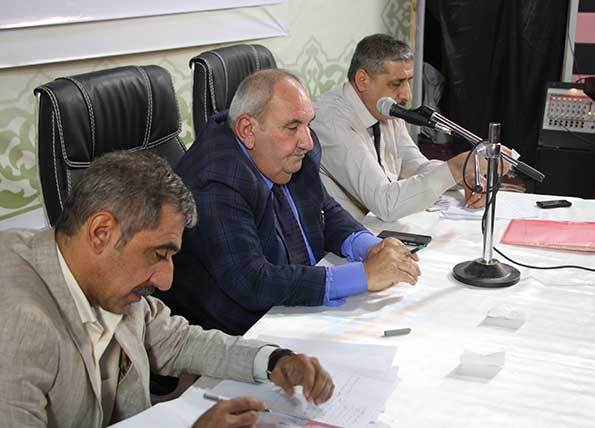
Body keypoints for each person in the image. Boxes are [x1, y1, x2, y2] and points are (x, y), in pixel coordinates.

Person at [0, 151, 333, 428]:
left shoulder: (105, 277)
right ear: (101, 232)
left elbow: (178, 341)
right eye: (159, 254)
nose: (165, 281)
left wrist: (274, 361)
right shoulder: (18, 322)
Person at [159, 69, 421, 336]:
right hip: (245, 329)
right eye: (293, 127)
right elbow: (253, 282)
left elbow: (323, 208)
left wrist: (368, 246)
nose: (307, 142)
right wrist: (364, 276)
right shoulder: (215, 181)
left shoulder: (292, 148)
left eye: (308, 124)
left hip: (298, 303)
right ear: (247, 130)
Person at [313, 33, 505, 222]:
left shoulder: (384, 108)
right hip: (349, 235)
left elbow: (416, 166)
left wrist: (464, 175)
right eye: (396, 83)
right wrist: (455, 167)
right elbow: (385, 204)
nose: (407, 96)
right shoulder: (331, 122)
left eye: (408, 81)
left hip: (379, 227)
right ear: (363, 80)